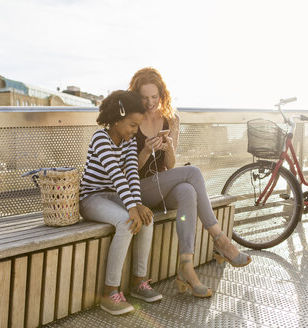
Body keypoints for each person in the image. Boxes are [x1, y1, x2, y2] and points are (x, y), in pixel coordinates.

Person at [129, 67, 251, 298]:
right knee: (193, 173)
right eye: (144, 97)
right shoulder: (133, 118)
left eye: (154, 97)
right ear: (137, 97)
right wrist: (146, 150)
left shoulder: (171, 119)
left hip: (160, 187)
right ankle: (220, 239)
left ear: (162, 94)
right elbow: (127, 172)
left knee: (187, 190)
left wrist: (168, 148)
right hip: (137, 190)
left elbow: (170, 167)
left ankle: (186, 265)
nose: (150, 103)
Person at [79, 90, 162, 315]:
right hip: (91, 198)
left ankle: (138, 282)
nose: (136, 131)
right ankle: (109, 292)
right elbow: (116, 174)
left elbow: (132, 174)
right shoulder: (100, 139)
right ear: (117, 118)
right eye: (132, 125)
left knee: (146, 218)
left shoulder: (129, 141)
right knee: (127, 222)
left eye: (138, 126)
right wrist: (131, 208)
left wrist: (137, 205)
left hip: (113, 195)